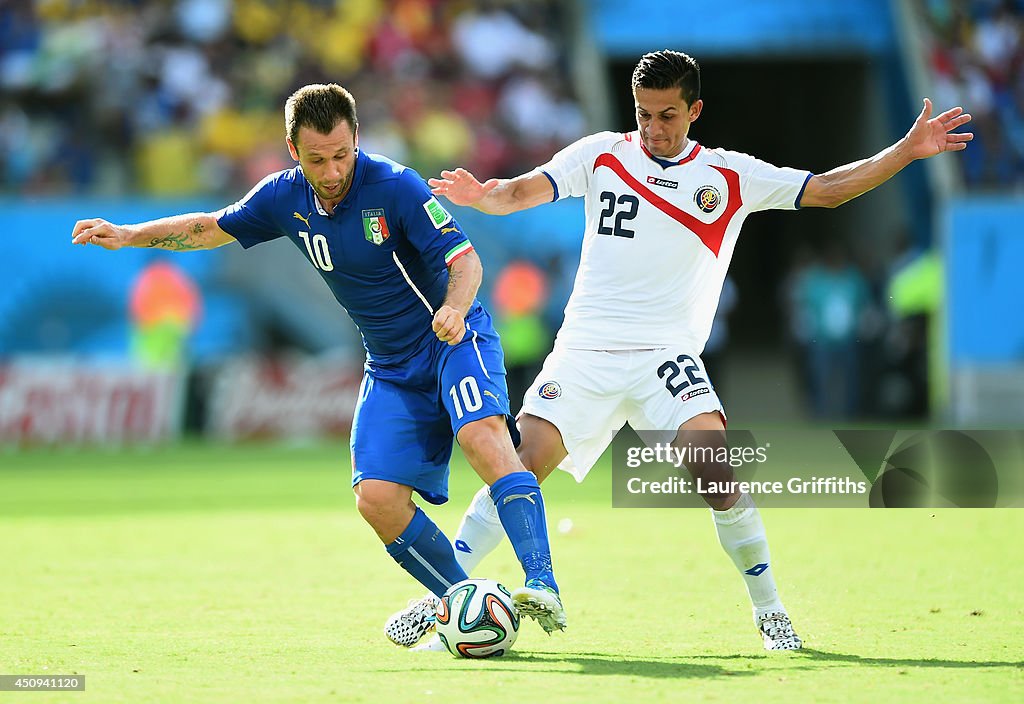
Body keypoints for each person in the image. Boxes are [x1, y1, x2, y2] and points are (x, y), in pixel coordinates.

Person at [389, 50, 973, 651]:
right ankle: (447, 601)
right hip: (585, 351)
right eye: (643, 114)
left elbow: (824, 191)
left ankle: (770, 611)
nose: (653, 128)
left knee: (715, 468)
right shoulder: (601, 154)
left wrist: (903, 150)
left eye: (667, 115)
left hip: (665, 355)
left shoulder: (727, 177)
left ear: (695, 110)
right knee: (519, 466)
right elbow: (518, 191)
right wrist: (484, 195)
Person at [70, 83, 567, 639]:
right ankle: (463, 601)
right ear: (292, 150)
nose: (331, 171)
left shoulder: (396, 187)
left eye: (341, 154)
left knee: (483, 437)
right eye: (316, 159)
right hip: (391, 366)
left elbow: (466, 261)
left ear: (356, 139)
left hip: (452, 339)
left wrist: (454, 308)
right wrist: (130, 234)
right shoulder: (282, 198)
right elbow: (209, 227)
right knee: (376, 500)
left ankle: (541, 585)